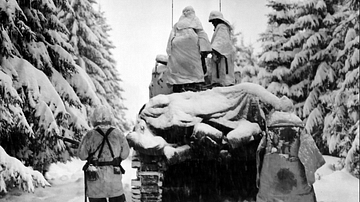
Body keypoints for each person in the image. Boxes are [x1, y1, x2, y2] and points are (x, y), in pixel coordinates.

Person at [256, 111, 325, 202]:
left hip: (271, 181)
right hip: (297, 181)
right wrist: (310, 176)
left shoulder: (270, 130)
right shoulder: (299, 128)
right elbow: (310, 154)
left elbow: (259, 154)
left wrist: (258, 177)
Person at [78, 105, 130, 202]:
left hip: (95, 181)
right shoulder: (118, 134)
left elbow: (82, 155)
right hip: (114, 180)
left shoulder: (90, 135)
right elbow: (125, 154)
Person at [165, 6, 212, 92]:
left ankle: (179, 84)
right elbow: (202, 34)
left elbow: (171, 37)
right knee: (195, 68)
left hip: (177, 45)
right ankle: (194, 83)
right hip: (191, 45)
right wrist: (205, 49)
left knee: (178, 69)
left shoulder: (177, 24)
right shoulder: (195, 20)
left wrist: (169, 50)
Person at [208, 11, 235, 87]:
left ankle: (222, 83)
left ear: (217, 20)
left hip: (223, 57)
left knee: (224, 76)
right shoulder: (221, 28)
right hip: (223, 56)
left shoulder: (222, 27)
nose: (213, 24)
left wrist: (215, 51)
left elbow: (221, 43)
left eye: (213, 21)